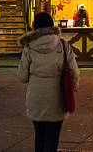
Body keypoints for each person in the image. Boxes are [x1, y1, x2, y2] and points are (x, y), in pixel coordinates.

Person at [18, 12, 79, 152]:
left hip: (36, 98)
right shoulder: (63, 45)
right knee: (53, 137)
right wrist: (73, 87)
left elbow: (22, 76)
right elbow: (74, 72)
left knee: (39, 135)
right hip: (57, 98)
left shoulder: (28, 47)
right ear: (52, 26)